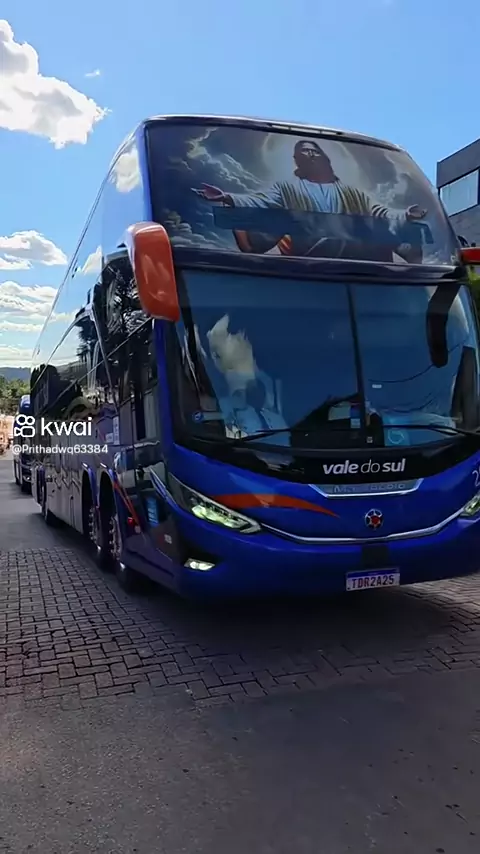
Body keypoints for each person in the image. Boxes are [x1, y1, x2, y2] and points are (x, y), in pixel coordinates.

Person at [193, 139, 427, 260]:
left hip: (353, 260)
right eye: (305, 151)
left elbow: (380, 213)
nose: (312, 154)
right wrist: (227, 197)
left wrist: (405, 215)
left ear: (326, 158)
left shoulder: (352, 192)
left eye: (316, 150)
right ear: (297, 160)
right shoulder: (287, 188)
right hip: (308, 255)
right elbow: (260, 201)